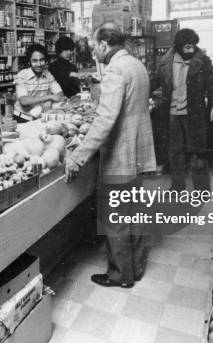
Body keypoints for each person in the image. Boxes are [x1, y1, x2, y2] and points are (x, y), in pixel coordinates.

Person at [66, 23, 156, 288]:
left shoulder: (115, 69)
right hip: (141, 152)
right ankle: (136, 268)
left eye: (94, 45)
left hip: (121, 155)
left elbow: (106, 118)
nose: (93, 50)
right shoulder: (136, 64)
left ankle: (119, 275)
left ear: (104, 44)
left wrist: (79, 156)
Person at [153, 28, 213, 193]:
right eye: (187, 47)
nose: (191, 50)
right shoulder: (166, 62)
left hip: (195, 114)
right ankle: (177, 187)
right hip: (172, 113)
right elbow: (156, 81)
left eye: (193, 46)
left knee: (198, 153)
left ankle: (202, 190)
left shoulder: (202, 61)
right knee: (175, 152)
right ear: (178, 46)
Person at [14, 43, 65, 114]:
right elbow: (23, 101)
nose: (39, 64)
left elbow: (60, 94)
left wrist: (49, 101)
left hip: (39, 116)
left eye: (41, 60)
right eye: (35, 60)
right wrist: (49, 97)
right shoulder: (22, 75)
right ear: (29, 62)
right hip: (23, 118)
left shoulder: (48, 74)